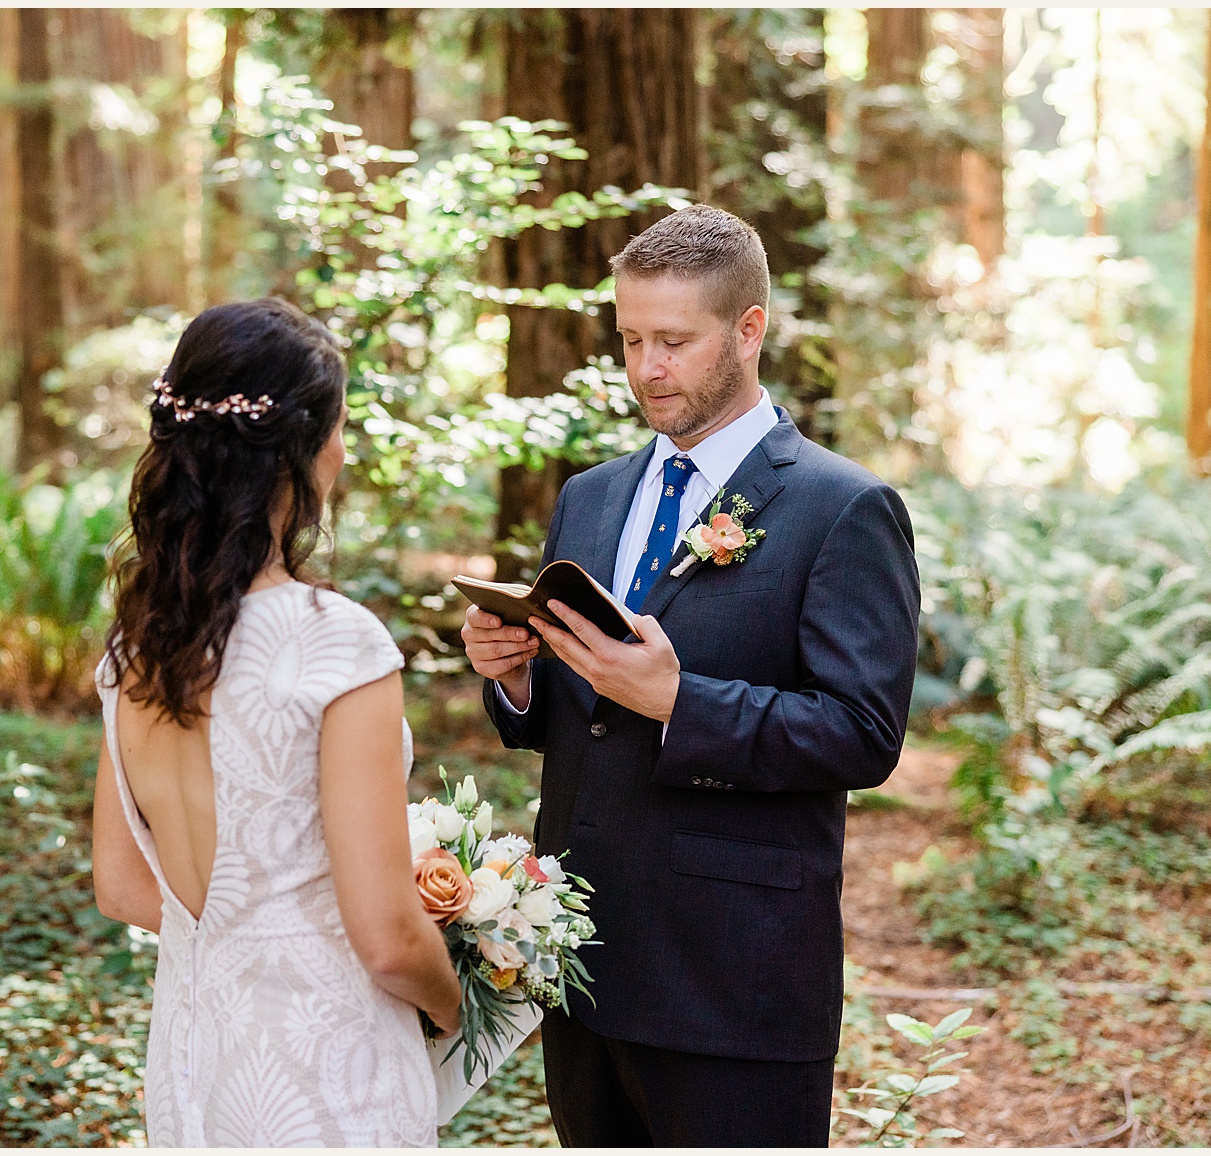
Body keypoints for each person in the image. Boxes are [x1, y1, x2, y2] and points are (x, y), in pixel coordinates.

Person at [459, 204, 921, 1146]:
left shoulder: (845, 508)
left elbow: (864, 735)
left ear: (749, 330)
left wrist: (681, 702)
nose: (646, 368)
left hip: (734, 982)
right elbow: (576, 718)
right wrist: (512, 677)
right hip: (580, 962)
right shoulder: (590, 497)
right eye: (630, 339)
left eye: (674, 340)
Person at [89, 298, 461, 1146]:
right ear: (303, 449)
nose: (342, 448)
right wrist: (461, 1006)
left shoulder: (136, 646)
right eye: (340, 425)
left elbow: (121, 883)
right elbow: (388, 940)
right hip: (329, 1080)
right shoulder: (335, 643)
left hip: (196, 1066)